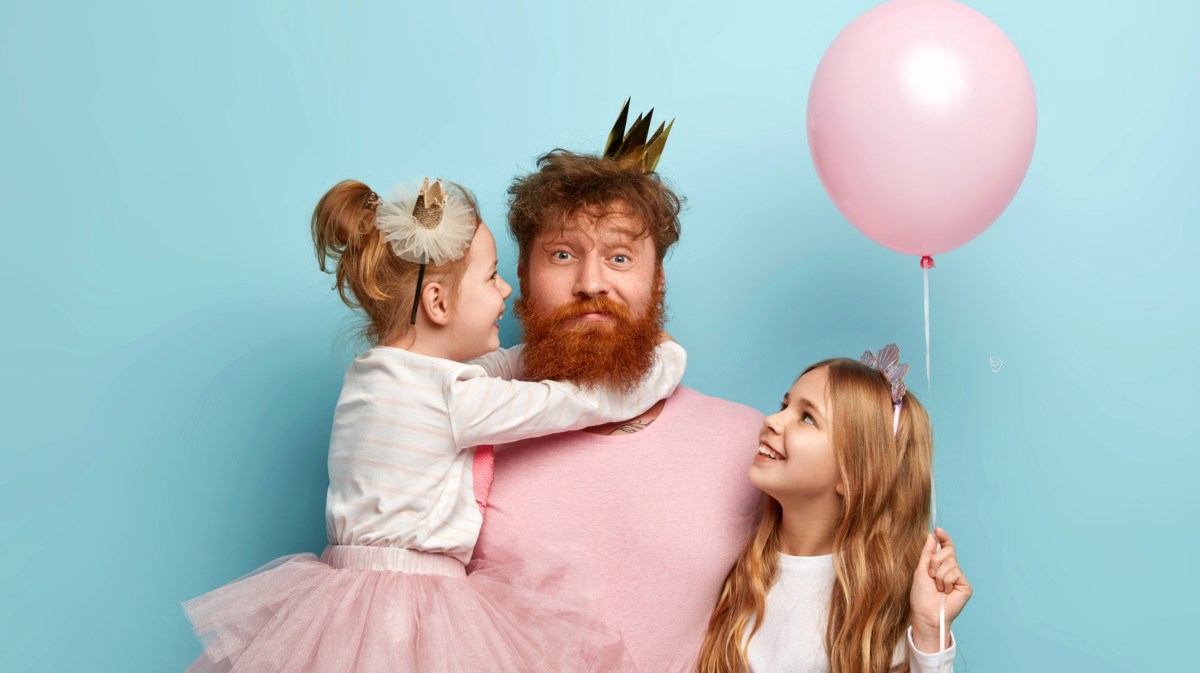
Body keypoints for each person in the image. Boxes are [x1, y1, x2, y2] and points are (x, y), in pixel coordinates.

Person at [180, 177, 686, 673]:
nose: (506, 290)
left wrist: (543, 349)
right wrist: (662, 362)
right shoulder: (454, 400)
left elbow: (485, 376)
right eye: (491, 277)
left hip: (344, 594)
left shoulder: (376, 375)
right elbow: (573, 402)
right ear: (439, 303)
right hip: (413, 607)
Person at [471, 101, 763, 673]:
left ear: (657, 281)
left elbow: (820, 617)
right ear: (524, 280)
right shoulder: (471, 426)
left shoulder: (750, 443)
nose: (591, 283)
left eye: (620, 256)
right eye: (562, 254)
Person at [698, 345, 972, 673]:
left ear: (852, 474)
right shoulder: (733, 562)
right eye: (784, 405)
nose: (771, 420)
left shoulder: (878, 604)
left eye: (807, 417)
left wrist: (930, 635)